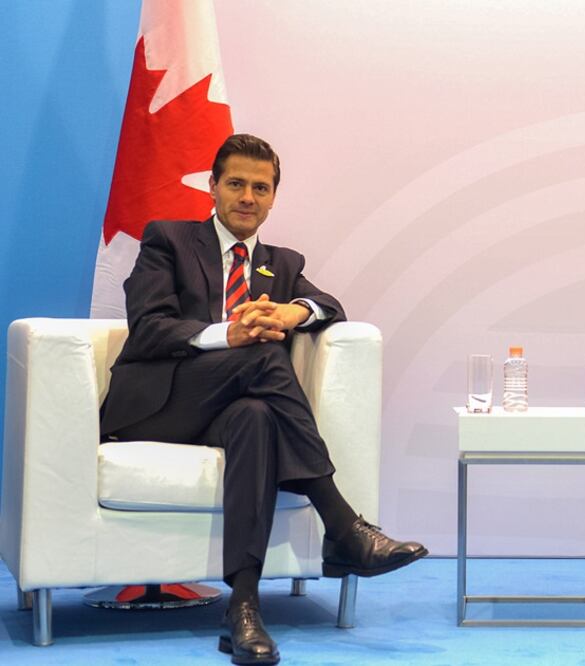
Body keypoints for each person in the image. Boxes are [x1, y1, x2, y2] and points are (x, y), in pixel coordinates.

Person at [100, 134, 427, 665]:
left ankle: (244, 609)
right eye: (236, 184)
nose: (247, 197)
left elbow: (328, 305)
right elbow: (149, 330)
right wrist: (230, 333)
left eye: (261, 187)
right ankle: (342, 526)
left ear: (274, 197)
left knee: (255, 416)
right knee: (261, 354)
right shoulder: (168, 241)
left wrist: (291, 313)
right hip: (160, 405)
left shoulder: (283, 263)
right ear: (213, 187)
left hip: (229, 410)